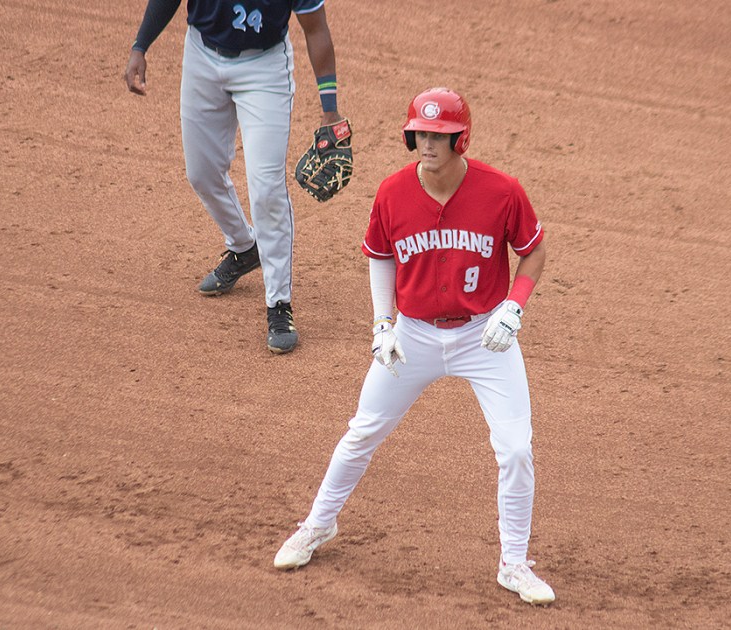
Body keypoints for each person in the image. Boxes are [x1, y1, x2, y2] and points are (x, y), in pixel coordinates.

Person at [272, 88, 554, 605]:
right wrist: (383, 323)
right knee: (362, 432)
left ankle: (514, 563)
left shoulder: (502, 192)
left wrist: (513, 308)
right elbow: (380, 256)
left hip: (482, 337)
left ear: (460, 138)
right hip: (414, 335)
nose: (427, 143)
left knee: (515, 449)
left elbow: (532, 254)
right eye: (421, 133)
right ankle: (317, 526)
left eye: (439, 135)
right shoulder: (393, 193)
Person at [124, 0, 347, 353]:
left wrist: (330, 108)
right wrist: (141, 45)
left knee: (267, 189)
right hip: (202, 56)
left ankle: (279, 304)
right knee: (201, 173)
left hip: (265, 68)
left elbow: (316, 29)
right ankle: (244, 247)